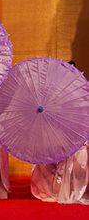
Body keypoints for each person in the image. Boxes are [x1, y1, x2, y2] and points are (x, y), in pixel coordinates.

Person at [31, 60, 89, 204]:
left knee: (79, 158)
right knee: (47, 160)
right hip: (57, 134)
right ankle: (57, 189)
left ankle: (70, 189)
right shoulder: (51, 93)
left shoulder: (81, 91)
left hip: (76, 133)